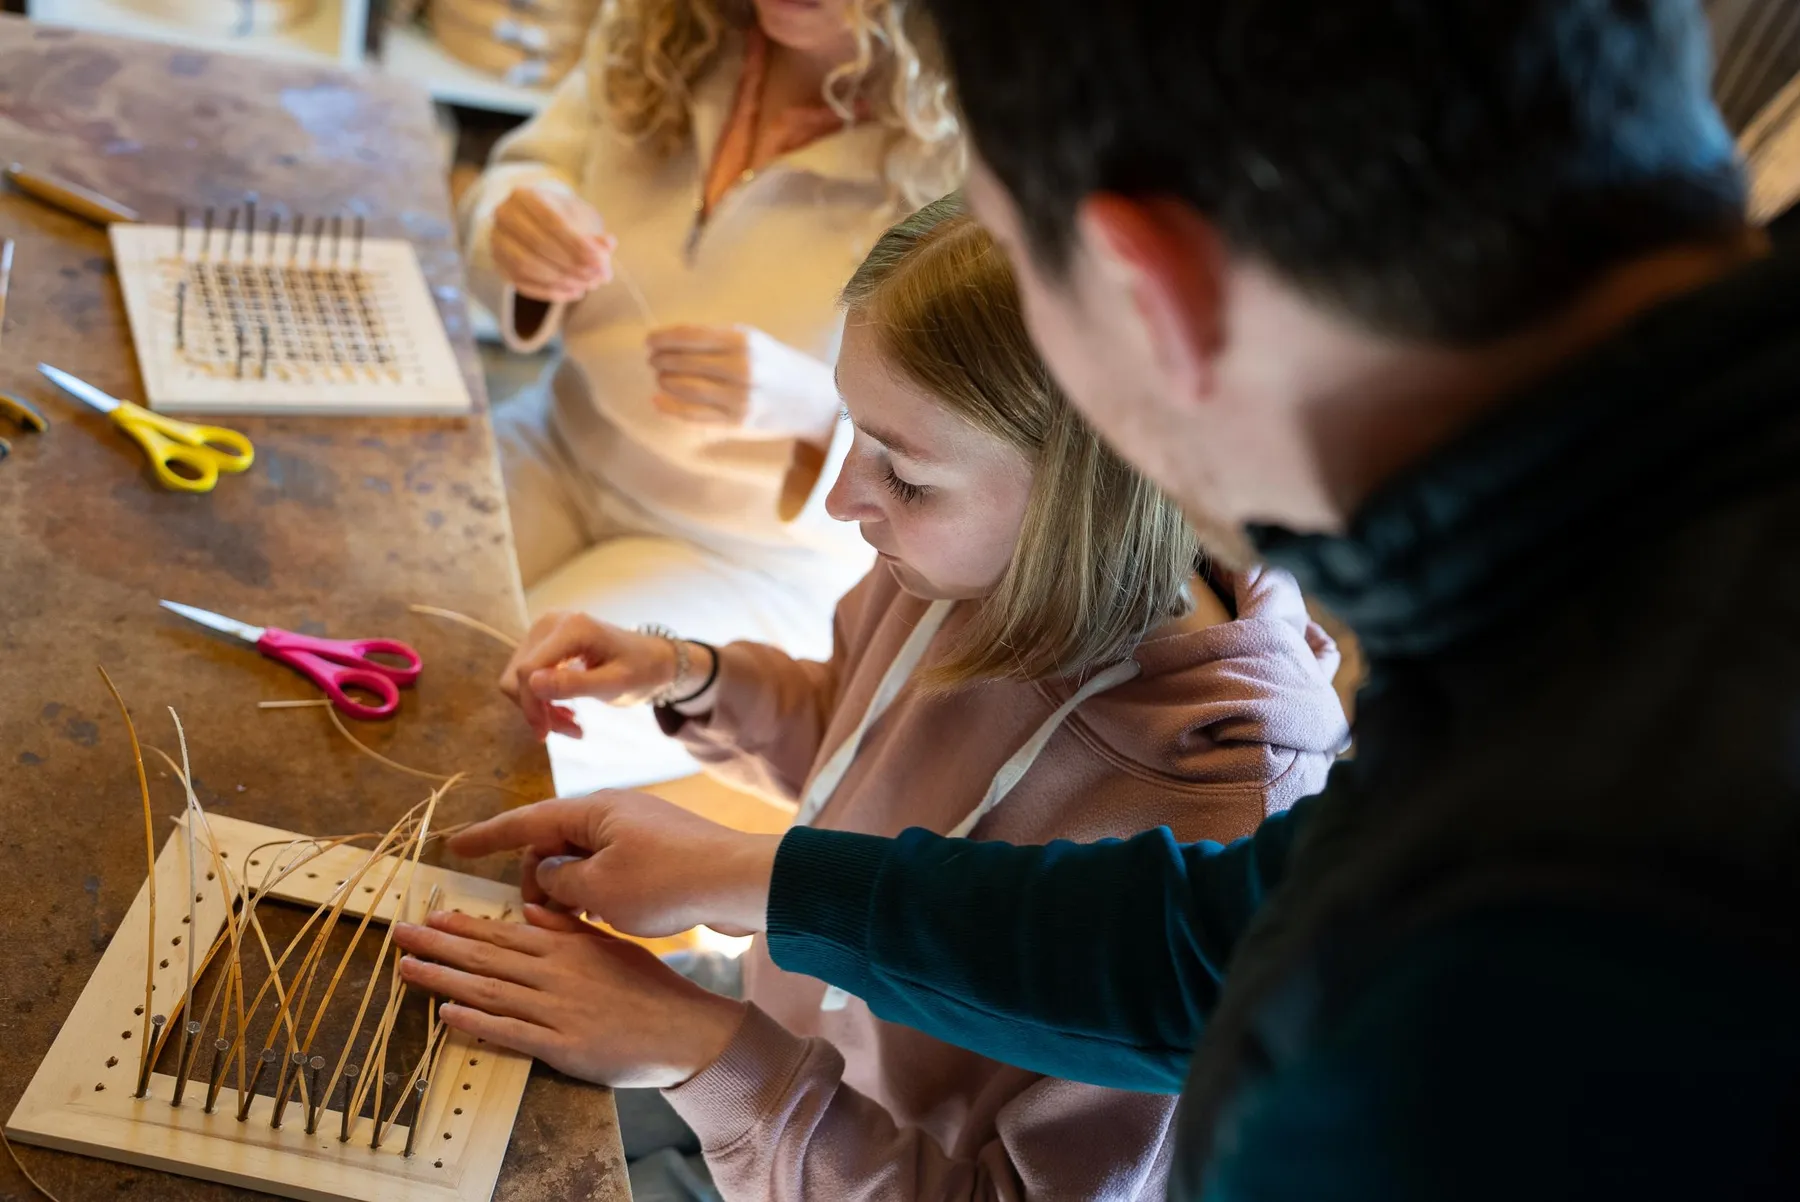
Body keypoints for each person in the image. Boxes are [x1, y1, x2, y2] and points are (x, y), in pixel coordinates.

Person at [409, 1, 1800, 1198]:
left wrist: (730, 1031)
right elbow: (1202, 938)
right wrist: (765, 873)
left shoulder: (1535, 929)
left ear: (1147, 292)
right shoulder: (1613, 613)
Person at [399, 198, 1349, 1199]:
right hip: (781, 1039)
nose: (844, 496)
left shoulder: (1234, 812)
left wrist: (702, 1051)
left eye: (903, 470)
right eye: (855, 430)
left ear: (1088, 495)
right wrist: (695, 675)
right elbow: (859, 750)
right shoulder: (959, 568)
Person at [460, 0, 961, 792]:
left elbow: (983, 441)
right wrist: (518, 226)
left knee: (494, 717)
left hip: (748, 554)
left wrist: (814, 406)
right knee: (382, 612)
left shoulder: (971, 150)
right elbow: (527, 170)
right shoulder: (658, 32)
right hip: (562, 444)